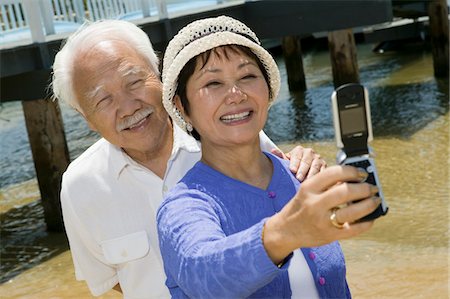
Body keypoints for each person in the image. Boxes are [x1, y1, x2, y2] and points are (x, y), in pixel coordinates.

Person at [51, 19, 326, 298]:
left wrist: (303, 165)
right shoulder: (80, 186)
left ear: (159, 76)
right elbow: (110, 279)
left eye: (134, 82)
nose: (128, 107)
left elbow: (282, 187)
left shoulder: (227, 135)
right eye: (103, 100)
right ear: (87, 119)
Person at [157, 16, 381, 298]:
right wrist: (287, 232)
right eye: (213, 83)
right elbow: (204, 275)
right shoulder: (183, 205)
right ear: (182, 107)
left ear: (268, 87)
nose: (235, 95)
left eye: (247, 76)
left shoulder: (302, 175)